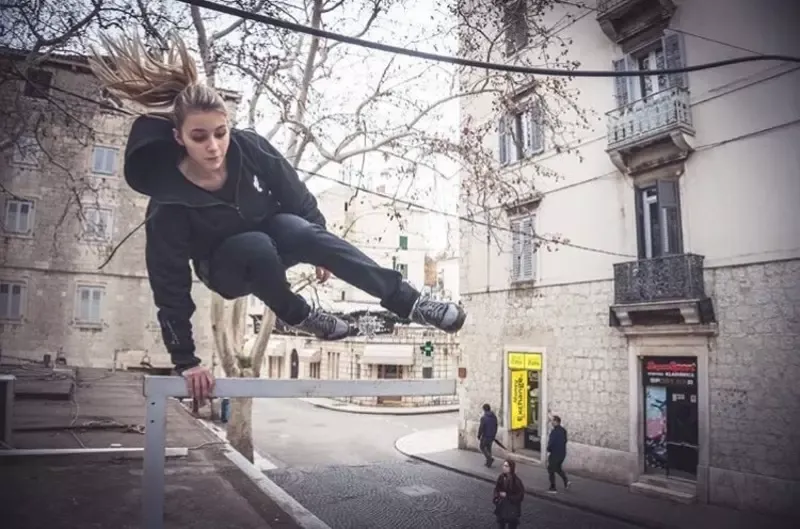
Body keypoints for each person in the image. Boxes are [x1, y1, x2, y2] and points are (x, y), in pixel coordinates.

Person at [88, 32, 467, 402]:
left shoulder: (249, 148)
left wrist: (321, 251)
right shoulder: (168, 205)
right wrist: (186, 361)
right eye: (200, 137)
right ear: (179, 139)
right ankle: (299, 314)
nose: (214, 146)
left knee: (298, 229)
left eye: (221, 133)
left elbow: (296, 197)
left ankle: (412, 303)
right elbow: (169, 287)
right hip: (228, 270)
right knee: (255, 244)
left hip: (272, 242)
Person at [493, 459, 525, 529]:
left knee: (512, 526)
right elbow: (496, 488)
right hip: (502, 506)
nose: (504, 467)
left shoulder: (516, 481)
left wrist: (507, 496)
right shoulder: (501, 477)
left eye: (506, 466)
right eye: (503, 465)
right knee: (501, 525)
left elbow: (520, 496)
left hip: (512, 509)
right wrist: (496, 497)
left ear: (511, 468)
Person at [546, 415, 571, 493]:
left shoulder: (554, 432)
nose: (551, 423)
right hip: (562, 454)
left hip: (555, 454)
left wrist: (548, 450)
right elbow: (565, 440)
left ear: (556, 421)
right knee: (557, 468)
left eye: (552, 421)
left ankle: (553, 488)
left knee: (550, 469)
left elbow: (551, 443)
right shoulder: (563, 430)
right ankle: (566, 481)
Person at [478, 403, 498, 467]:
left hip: (485, 436)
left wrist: (479, 435)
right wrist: (494, 434)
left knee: (482, 447)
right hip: (492, 436)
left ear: (484, 409)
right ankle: (488, 463)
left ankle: (489, 459)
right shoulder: (494, 417)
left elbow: (481, 428)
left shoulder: (484, 418)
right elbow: (496, 426)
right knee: (489, 448)